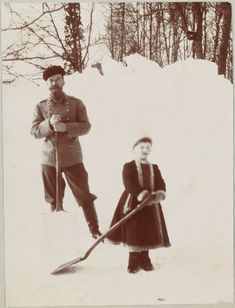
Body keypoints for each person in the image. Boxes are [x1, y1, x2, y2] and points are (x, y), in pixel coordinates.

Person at [31, 65, 102, 239]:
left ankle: (95, 230)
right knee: (54, 199)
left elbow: (86, 127)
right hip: (49, 159)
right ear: (47, 83)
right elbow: (34, 131)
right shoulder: (40, 106)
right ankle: (58, 235)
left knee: (84, 195)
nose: (55, 83)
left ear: (63, 80)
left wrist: (66, 127)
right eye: (51, 80)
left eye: (58, 79)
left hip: (72, 158)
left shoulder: (77, 103)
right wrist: (48, 123)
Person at [107, 134, 170, 273]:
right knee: (134, 231)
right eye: (141, 147)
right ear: (134, 149)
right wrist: (142, 195)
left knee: (148, 230)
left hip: (151, 206)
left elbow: (161, 183)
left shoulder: (154, 167)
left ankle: (145, 259)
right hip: (133, 204)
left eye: (148, 147)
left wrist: (158, 194)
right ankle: (133, 261)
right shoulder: (128, 166)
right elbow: (129, 183)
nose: (144, 150)